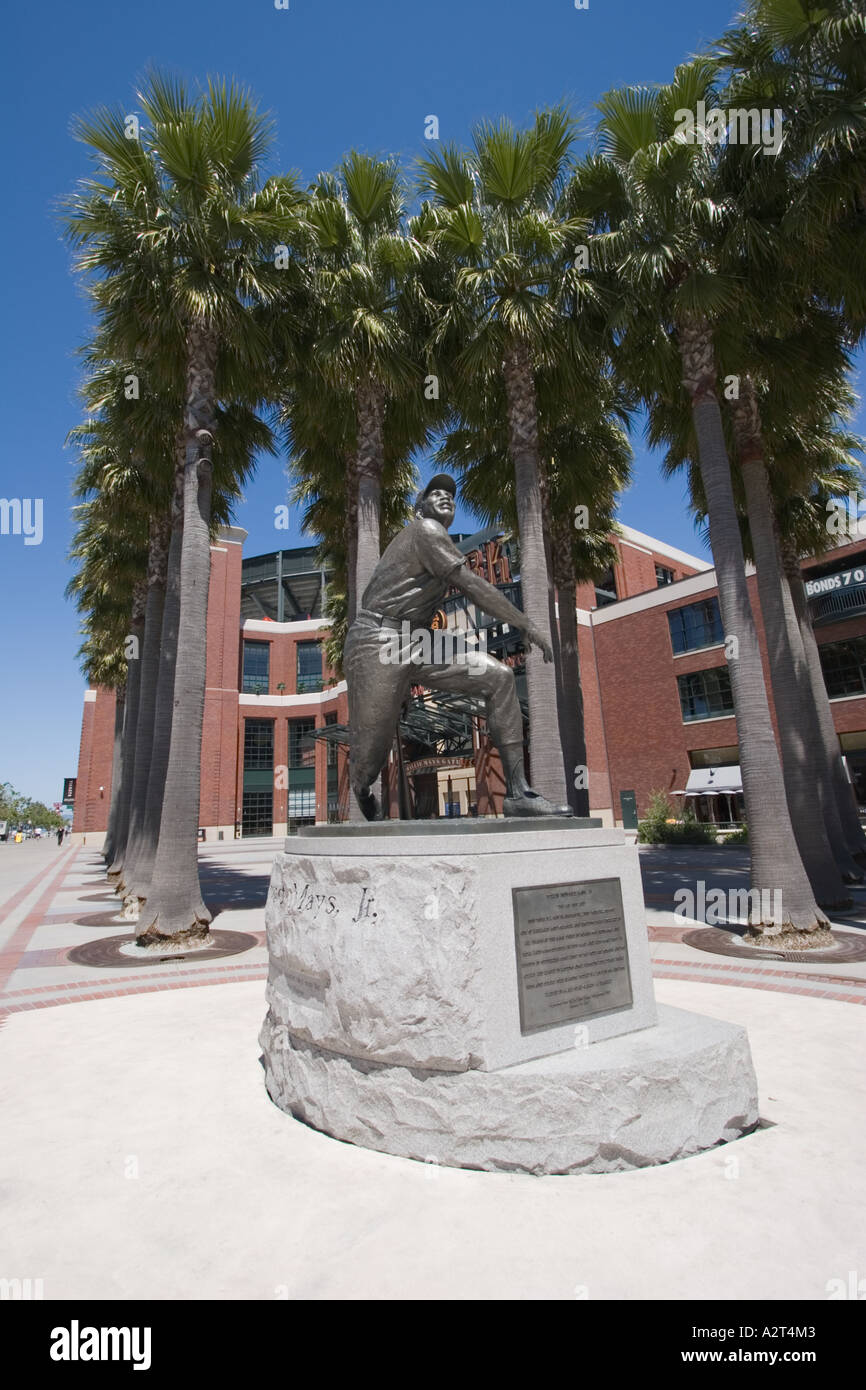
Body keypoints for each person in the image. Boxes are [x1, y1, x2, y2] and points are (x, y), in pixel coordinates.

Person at [344, 473, 572, 820]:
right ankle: (361, 786)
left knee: (499, 677)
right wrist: (527, 624)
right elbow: (473, 586)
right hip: (379, 640)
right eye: (435, 493)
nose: (446, 497)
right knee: (370, 759)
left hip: (416, 639)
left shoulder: (438, 538)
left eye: (450, 494)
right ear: (419, 509)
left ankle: (517, 793)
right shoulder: (425, 530)